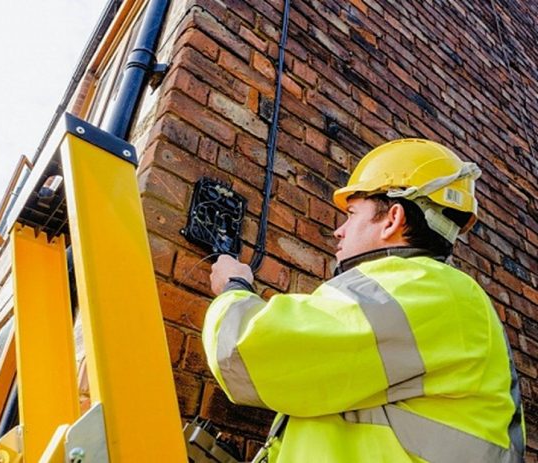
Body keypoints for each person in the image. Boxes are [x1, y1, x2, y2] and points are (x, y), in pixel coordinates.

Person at [202, 139, 525, 462]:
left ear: (393, 219)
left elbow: (249, 350)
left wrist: (234, 286)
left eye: (352, 213)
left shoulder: (422, 287)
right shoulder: (444, 298)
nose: (339, 231)